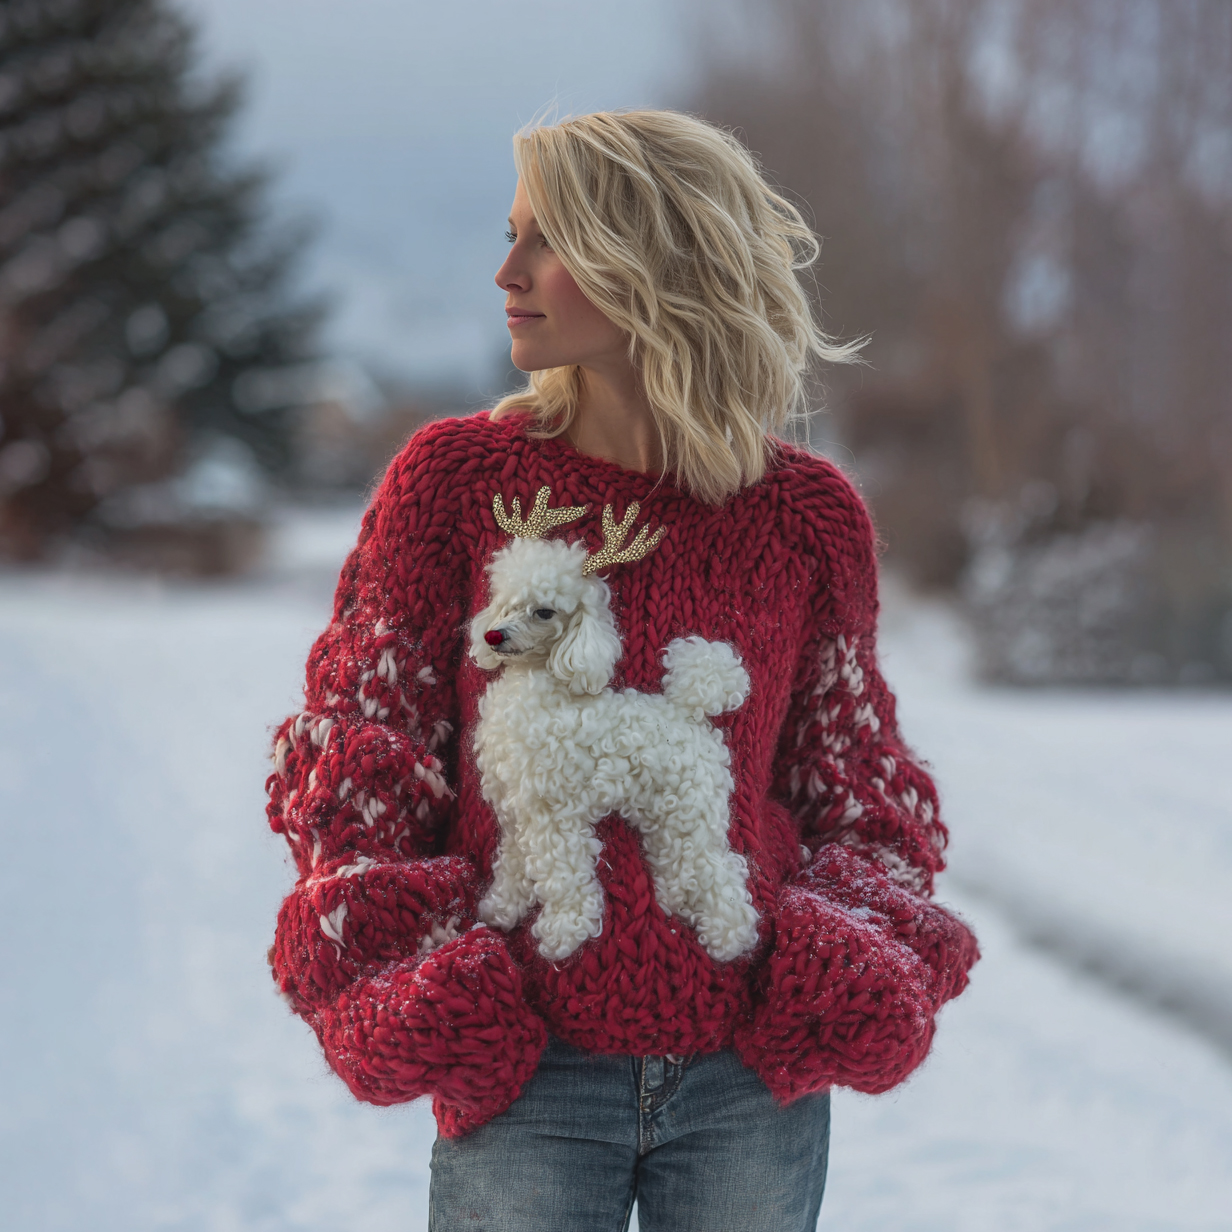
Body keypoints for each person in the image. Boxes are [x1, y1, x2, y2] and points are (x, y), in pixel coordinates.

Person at [265, 109, 979, 1232]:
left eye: (546, 240)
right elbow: (360, 756)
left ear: (653, 261)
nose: (506, 272)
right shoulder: (450, 484)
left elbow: (855, 783)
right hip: (526, 1069)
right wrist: (446, 979)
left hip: (747, 1086)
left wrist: (823, 962)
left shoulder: (807, 518)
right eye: (510, 235)